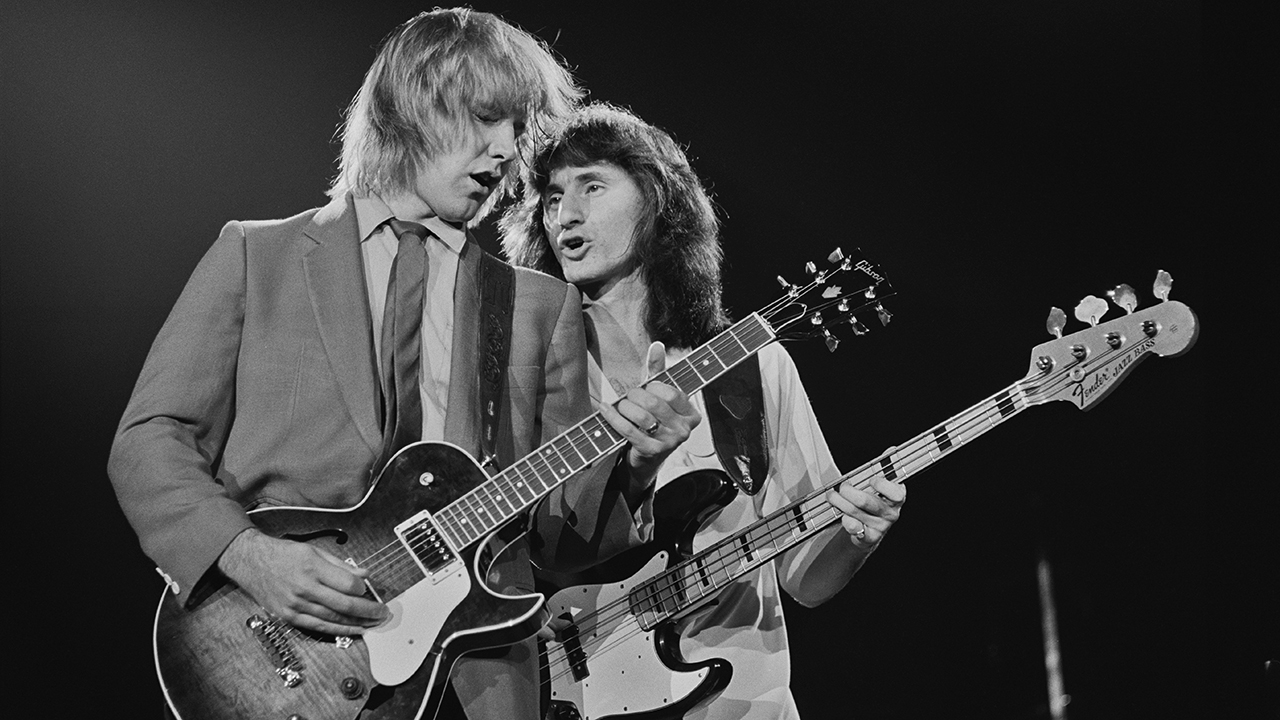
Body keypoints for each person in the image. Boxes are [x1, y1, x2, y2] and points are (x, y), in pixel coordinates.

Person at [107, 11, 698, 720]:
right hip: (275, 655)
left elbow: (558, 541)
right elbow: (149, 440)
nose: (508, 150)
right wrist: (246, 555)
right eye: (487, 118)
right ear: (414, 105)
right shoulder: (255, 256)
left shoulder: (539, 307)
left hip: (474, 682)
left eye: (517, 130)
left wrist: (633, 470)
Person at [501, 103, 906, 720]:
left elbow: (806, 579)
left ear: (657, 201)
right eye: (553, 196)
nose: (567, 214)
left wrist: (858, 535)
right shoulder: (525, 381)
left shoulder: (748, 367)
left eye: (592, 186)